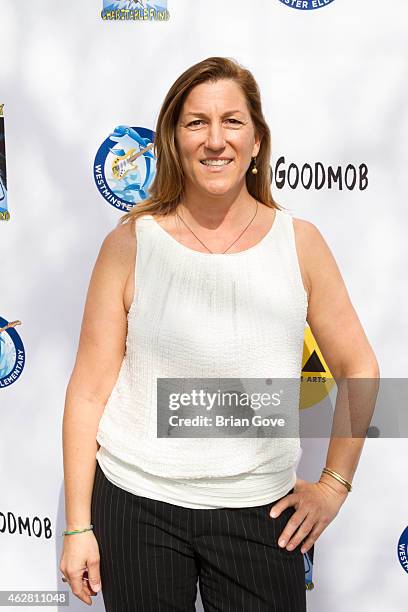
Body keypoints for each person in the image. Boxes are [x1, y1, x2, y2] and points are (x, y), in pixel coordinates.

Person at [59, 56, 379, 610]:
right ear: (174, 140)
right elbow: (88, 390)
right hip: (137, 506)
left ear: (257, 141)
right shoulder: (130, 244)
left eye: (232, 121)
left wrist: (333, 486)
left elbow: (363, 370)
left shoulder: (299, 243)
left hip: (262, 514)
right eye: (196, 122)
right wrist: (77, 528)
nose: (215, 140)